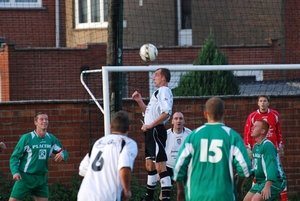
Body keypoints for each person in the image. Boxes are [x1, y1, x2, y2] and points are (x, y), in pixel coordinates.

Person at [173, 97, 252, 201]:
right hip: (223, 194)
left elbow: (178, 167)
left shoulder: (193, 135)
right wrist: (238, 186)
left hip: (196, 194)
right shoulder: (232, 136)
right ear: (224, 113)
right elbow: (244, 168)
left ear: (205, 114)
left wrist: (180, 189)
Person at [132, 68, 173, 201]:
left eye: (156, 75)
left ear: (163, 78)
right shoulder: (156, 93)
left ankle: (165, 197)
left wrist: (151, 125)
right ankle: (149, 197)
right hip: (150, 131)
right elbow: (148, 113)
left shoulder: (164, 91)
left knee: (160, 166)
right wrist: (139, 101)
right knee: (149, 165)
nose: (153, 78)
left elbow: (167, 112)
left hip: (156, 131)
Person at [77, 111, 138, 201]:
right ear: (129, 128)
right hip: (106, 196)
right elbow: (124, 167)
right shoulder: (127, 143)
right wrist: (126, 191)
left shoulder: (98, 142)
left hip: (84, 195)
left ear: (110, 127)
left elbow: (83, 169)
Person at [9, 112, 69, 201]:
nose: (44, 121)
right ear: (35, 122)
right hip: (25, 178)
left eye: (46, 119)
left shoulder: (51, 138)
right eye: (41, 119)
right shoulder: (27, 138)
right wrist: (15, 172)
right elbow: (15, 157)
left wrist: (62, 155)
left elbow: (64, 152)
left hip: (41, 179)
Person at [244, 95, 287, 200]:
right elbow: (246, 133)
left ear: (268, 103)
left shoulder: (268, 145)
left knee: (256, 199)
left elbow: (279, 132)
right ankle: (258, 189)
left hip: (273, 181)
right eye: (260, 101)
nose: (262, 103)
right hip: (262, 179)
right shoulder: (256, 147)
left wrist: (280, 145)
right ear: (258, 103)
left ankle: (282, 197)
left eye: (265, 101)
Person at [158, 112, 192, 201]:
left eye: (181, 118)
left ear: (184, 121)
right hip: (168, 168)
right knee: (164, 193)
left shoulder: (190, 134)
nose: (178, 121)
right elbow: (159, 153)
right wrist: (159, 172)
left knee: (182, 192)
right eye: (176, 118)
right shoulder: (166, 134)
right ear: (172, 121)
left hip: (184, 167)